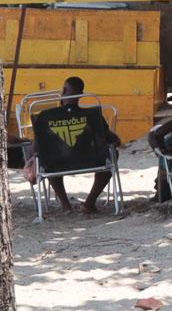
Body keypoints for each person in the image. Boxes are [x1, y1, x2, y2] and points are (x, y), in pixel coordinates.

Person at [36, 75, 119, 215]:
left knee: (46, 158)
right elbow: (114, 140)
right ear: (81, 94)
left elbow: (36, 148)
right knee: (112, 154)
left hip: (58, 163)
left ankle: (65, 206)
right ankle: (89, 203)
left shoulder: (45, 116)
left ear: (63, 90)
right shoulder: (92, 115)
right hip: (91, 161)